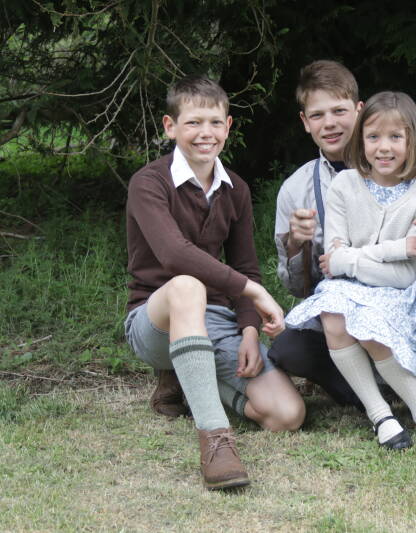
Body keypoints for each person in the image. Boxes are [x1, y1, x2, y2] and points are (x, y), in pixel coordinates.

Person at [271, 60, 416, 428]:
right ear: (305, 122)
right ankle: (370, 393)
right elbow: (298, 286)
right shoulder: (295, 189)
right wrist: (295, 246)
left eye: (339, 111)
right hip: (344, 310)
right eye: (317, 115)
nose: (329, 123)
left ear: (359, 110)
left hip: (401, 293)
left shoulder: (408, 169)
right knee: (289, 348)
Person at [124, 76, 305, 490]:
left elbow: (245, 266)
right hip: (156, 319)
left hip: (215, 319)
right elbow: (174, 255)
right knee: (187, 284)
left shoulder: (235, 189)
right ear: (170, 126)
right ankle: (215, 440)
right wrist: (254, 292)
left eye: (214, 123)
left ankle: (188, 381)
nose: (205, 133)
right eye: (193, 122)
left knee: (286, 415)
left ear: (228, 127)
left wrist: (248, 330)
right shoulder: (148, 182)